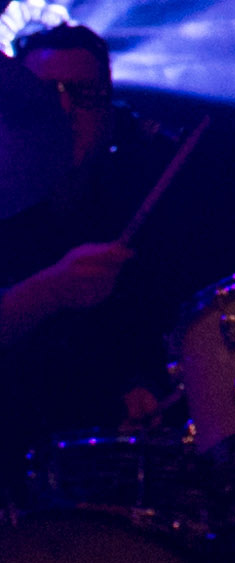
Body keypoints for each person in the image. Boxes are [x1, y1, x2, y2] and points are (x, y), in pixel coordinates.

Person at [0, 25, 183, 453]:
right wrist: (50, 291)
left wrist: (140, 387)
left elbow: (146, 343)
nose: (63, 109)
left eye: (84, 95)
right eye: (45, 95)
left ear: (109, 111)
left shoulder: (134, 205)